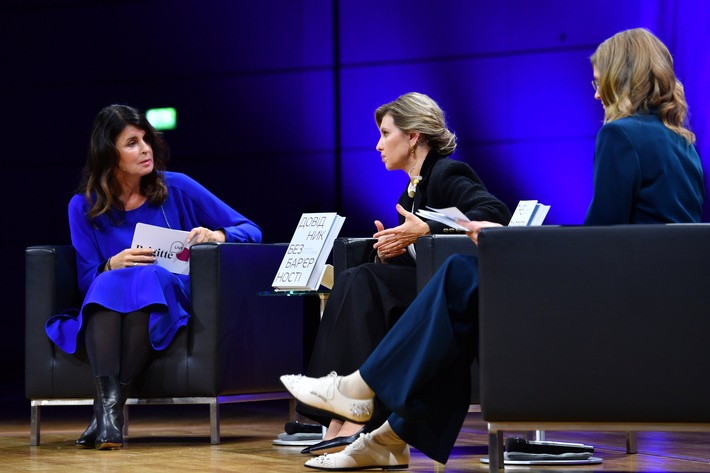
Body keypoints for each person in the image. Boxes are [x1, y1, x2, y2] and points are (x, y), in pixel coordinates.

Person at [280, 27, 704, 470]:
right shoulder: (683, 144)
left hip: (613, 301)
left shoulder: (621, 136)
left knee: (461, 278)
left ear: (622, 76)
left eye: (599, 81)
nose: (596, 93)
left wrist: (509, 240)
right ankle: (386, 431)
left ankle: (362, 395)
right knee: (461, 287)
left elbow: (597, 245)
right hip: (653, 303)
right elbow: (632, 242)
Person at [298, 92, 511, 455]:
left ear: (414, 137)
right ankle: (337, 416)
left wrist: (424, 228)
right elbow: (414, 258)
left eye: (385, 133)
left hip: (449, 298)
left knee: (361, 281)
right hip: (422, 286)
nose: (378, 145)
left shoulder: (446, 172)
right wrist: (390, 250)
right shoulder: (410, 191)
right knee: (357, 278)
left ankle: (358, 417)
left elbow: (494, 212)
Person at [44, 104, 262, 450]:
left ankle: (105, 411)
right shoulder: (82, 206)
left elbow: (251, 230)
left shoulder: (177, 187)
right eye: (132, 142)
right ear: (108, 153)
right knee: (108, 282)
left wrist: (217, 236)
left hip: (170, 293)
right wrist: (111, 263)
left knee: (149, 277)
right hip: (110, 299)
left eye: (146, 139)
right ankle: (110, 414)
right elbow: (87, 280)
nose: (145, 149)